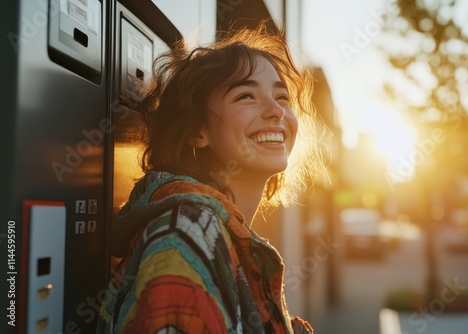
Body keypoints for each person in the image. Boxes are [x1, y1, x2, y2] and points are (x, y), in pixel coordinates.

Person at [97, 25, 325, 334]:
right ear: (196, 131)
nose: (276, 111)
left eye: (282, 97)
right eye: (246, 95)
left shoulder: (210, 230)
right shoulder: (183, 238)